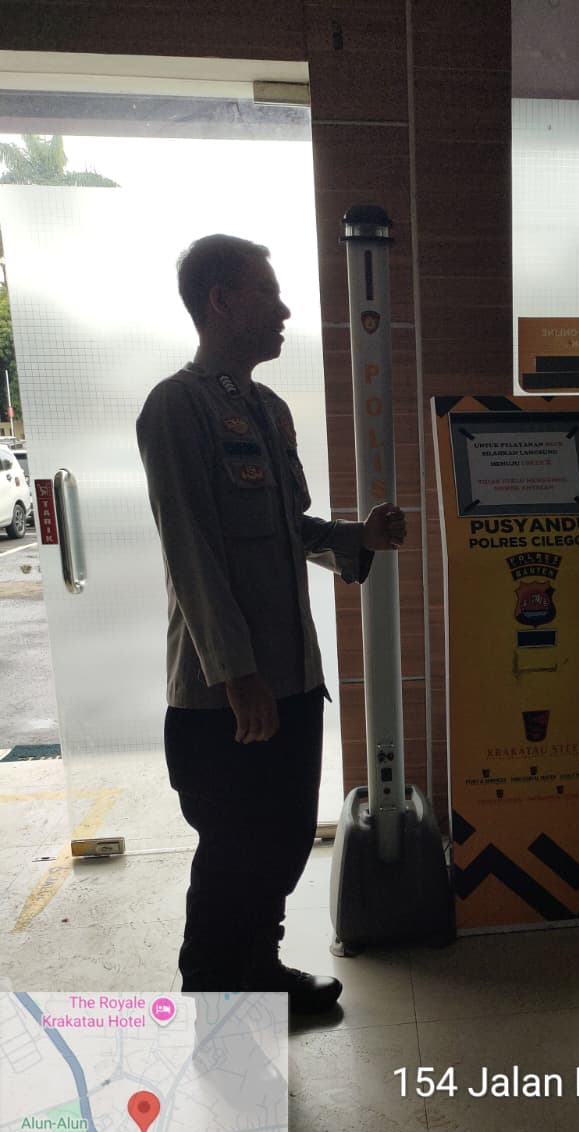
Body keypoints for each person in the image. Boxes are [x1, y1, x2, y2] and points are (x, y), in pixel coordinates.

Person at [137, 233, 406, 1012]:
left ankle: (259, 968)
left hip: (290, 677)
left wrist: (358, 539)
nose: (285, 310)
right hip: (224, 691)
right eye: (268, 293)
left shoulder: (268, 410)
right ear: (221, 301)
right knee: (234, 850)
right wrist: (237, 674)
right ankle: (213, 1001)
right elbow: (190, 549)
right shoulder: (176, 406)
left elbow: (290, 529)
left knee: (283, 839)